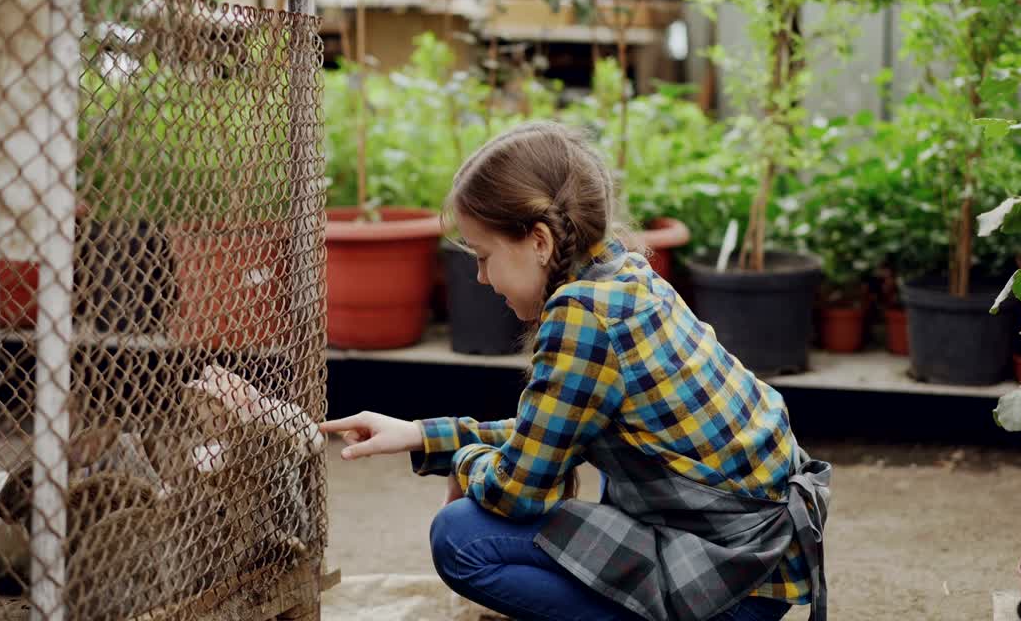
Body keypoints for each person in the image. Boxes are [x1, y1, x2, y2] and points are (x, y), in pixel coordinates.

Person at [319, 122, 830, 621]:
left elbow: (516, 491)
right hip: (758, 556)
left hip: (726, 579)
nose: (478, 276)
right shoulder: (624, 273)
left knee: (461, 536)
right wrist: (417, 436)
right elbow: (550, 432)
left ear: (538, 241)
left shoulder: (581, 318)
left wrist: (466, 463)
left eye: (483, 255)